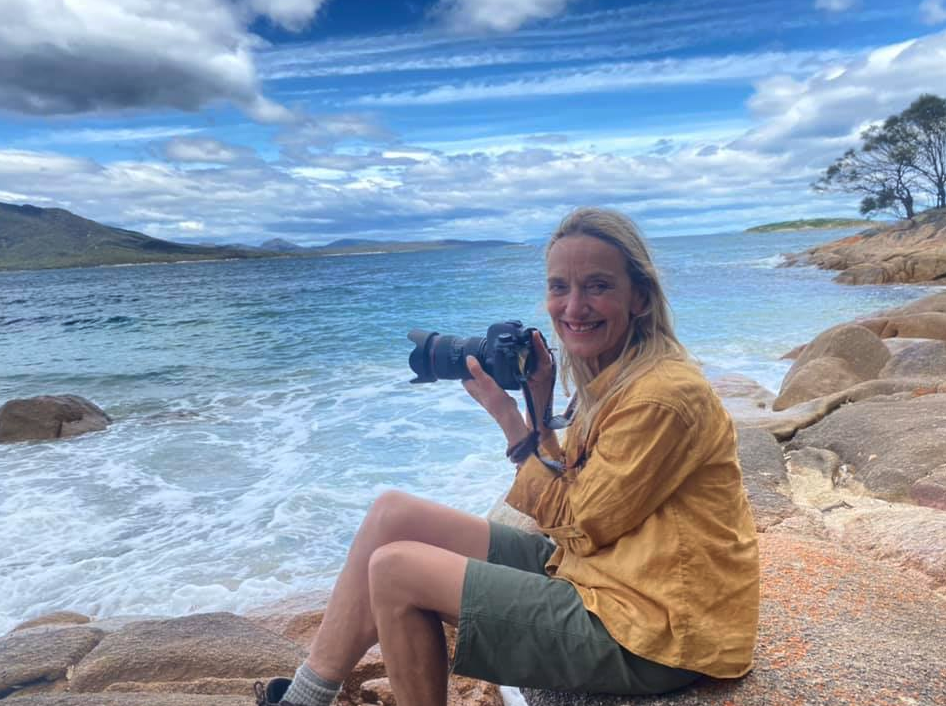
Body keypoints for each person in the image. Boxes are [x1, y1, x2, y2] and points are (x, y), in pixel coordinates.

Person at [255, 207, 760, 706]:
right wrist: (537, 402)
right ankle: (304, 697)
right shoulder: (621, 372)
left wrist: (508, 418)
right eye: (559, 287)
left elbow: (581, 522)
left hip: (654, 629)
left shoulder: (660, 396)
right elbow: (577, 497)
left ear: (641, 297)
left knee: (395, 570)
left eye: (598, 286)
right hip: (607, 573)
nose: (573, 307)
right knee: (393, 513)